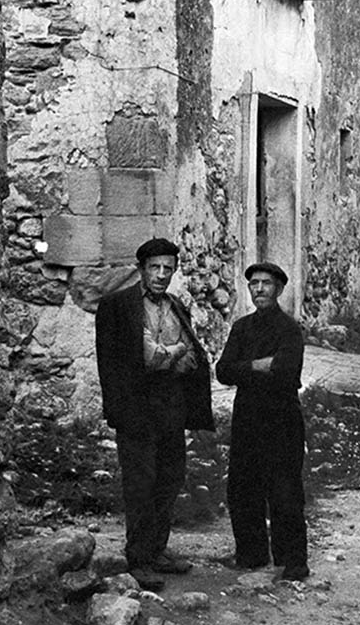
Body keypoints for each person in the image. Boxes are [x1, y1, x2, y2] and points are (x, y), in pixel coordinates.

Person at [95, 238, 214, 591]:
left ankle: (158, 549)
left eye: (168, 268)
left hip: (171, 408)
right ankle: (139, 558)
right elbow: (142, 360)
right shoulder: (118, 306)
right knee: (140, 483)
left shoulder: (176, 306)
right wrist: (173, 353)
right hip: (136, 409)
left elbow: (194, 359)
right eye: (154, 268)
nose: (161, 275)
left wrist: (171, 354)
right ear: (141, 269)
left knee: (169, 479)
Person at [215, 262, 310, 581]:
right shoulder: (241, 328)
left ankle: (292, 559)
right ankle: (251, 554)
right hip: (247, 416)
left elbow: (285, 372)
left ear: (279, 289)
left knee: (285, 489)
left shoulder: (290, 329)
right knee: (243, 487)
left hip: (282, 417)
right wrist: (258, 365)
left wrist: (248, 368)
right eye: (254, 283)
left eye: (266, 284)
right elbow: (223, 371)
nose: (259, 289)